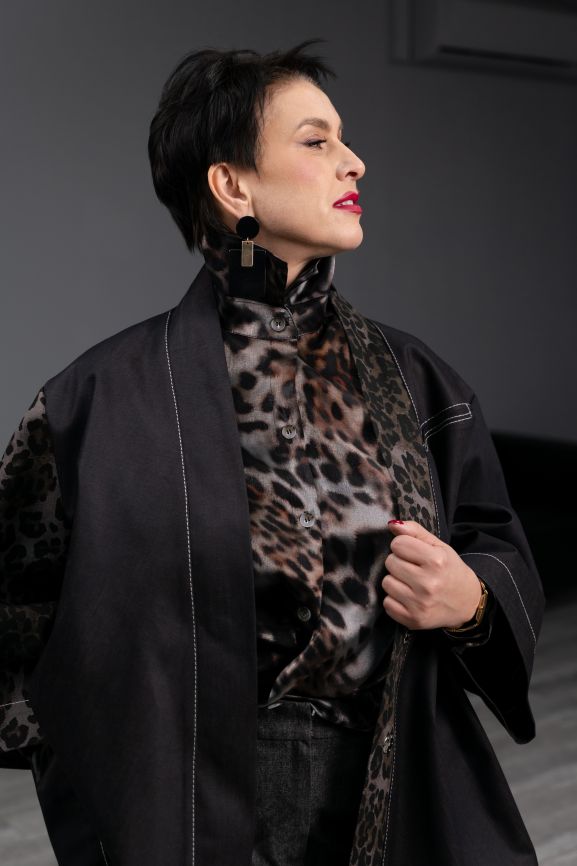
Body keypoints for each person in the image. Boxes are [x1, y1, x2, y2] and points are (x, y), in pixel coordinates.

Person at [0, 39, 545, 866]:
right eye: (316, 141)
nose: (354, 162)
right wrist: (96, 781)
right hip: (184, 804)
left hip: (387, 781)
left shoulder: (415, 378)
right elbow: (18, 608)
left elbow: (491, 538)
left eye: (343, 140)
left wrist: (471, 601)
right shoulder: (95, 397)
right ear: (232, 186)